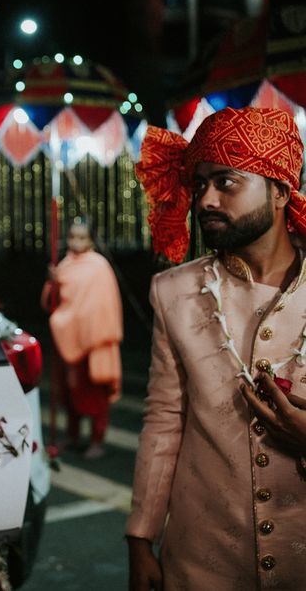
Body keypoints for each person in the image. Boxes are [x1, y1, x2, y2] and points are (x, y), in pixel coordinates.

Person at [128, 107, 306, 590]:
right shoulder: (173, 291)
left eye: (226, 182)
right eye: (200, 183)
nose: (205, 199)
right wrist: (140, 538)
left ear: (279, 192)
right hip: (202, 560)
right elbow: (165, 418)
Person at [40, 218, 123, 460]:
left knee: (96, 395)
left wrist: (73, 322)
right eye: (72, 236)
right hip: (69, 340)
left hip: (94, 341)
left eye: (81, 237)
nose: (75, 242)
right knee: (69, 393)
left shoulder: (99, 266)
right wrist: (52, 280)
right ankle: (73, 436)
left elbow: (102, 306)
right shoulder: (64, 264)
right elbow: (53, 302)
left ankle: (97, 440)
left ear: (90, 239)